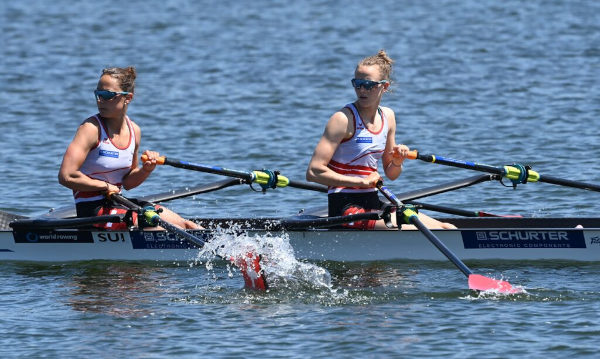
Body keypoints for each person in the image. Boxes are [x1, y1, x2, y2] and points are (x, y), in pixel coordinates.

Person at [306, 50, 455, 230]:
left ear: (384, 86)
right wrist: (360, 182)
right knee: (422, 229)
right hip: (344, 209)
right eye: (357, 83)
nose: (361, 90)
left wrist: (398, 162)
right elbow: (313, 172)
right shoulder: (343, 119)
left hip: (372, 201)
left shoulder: (388, 116)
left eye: (368, 85)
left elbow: (391, 174)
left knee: (446, 227)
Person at [58, 66, 199, 230]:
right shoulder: (90, 129)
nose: (99, 100)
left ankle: (228, 252)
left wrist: (146, 169)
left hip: (118, 204)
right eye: (98, 94)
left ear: (128, 98)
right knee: (163, 229)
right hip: (93, 212)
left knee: (186, 225)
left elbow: (128, 183)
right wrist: (104, 186)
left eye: (107, 95)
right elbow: (66, 176)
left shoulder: (135, 131)